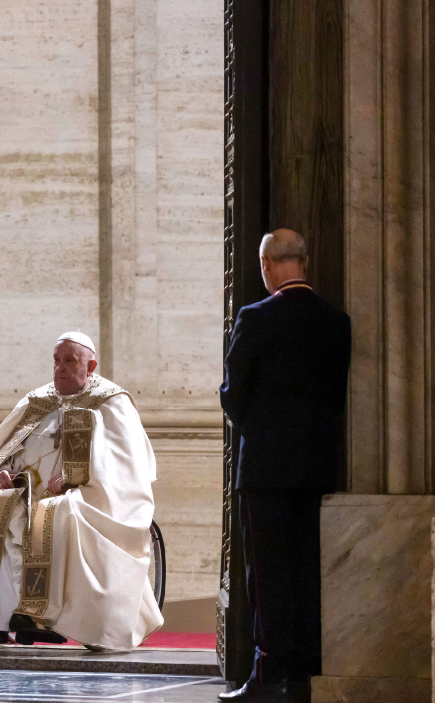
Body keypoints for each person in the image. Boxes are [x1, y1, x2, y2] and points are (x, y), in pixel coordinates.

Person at [0, 332, 161, 650]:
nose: (60, 368)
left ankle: (40, 615)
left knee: (58, 514)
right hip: (23, 494)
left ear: (90, 366)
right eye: (56, 361)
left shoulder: (110, 401)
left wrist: (76, 478)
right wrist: (1, 471)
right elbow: (1, 450)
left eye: (70, 361)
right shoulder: (37, 401)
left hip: (82, 495)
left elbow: (126, 467)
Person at [218, 229, 351, 703]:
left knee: (269, 574)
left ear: (266, 265)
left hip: (266, 470)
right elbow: (337, 396)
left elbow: (232, 394)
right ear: (305, 262)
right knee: (309, 568)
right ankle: (306, 675)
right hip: (317, 464)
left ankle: (269, 677)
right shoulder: (336, 322)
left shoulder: (255, 317)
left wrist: (263, 430)